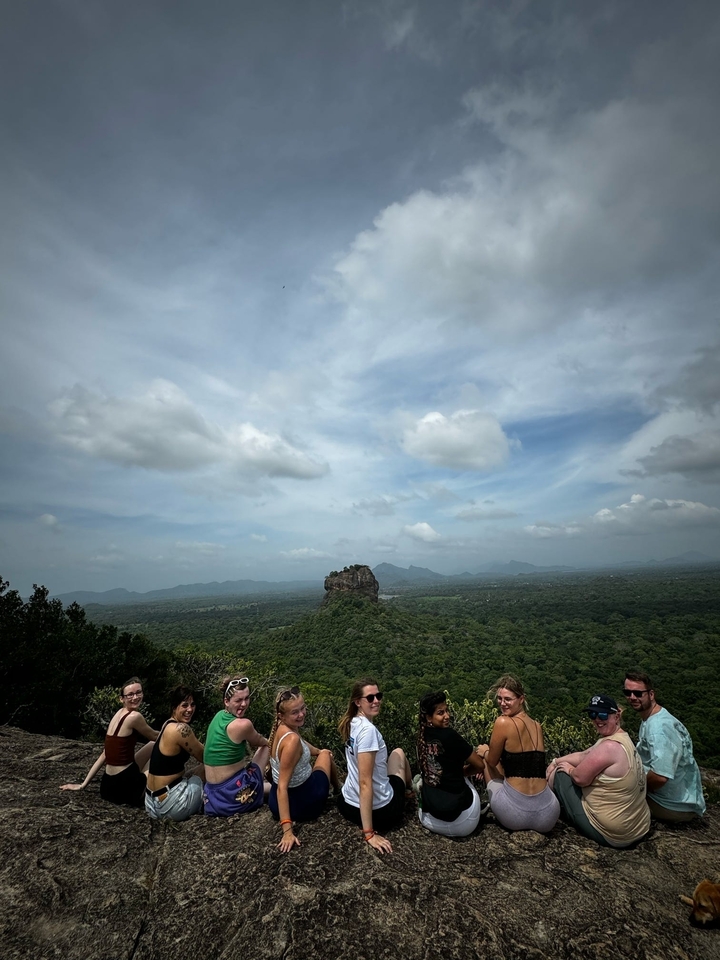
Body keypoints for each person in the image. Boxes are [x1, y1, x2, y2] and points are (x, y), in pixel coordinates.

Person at [547, 694, 651, 848]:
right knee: (561, 765)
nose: (597, 719)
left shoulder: (609, 747)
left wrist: (564, 768)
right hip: (638, 828)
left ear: (616, 716)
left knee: (560, 774)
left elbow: (579, 778)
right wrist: (555, 760)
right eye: (592, 714)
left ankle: (545, 808)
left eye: (602, 715)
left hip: (611, 834)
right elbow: (585, 755)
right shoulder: (622, 739)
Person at [475, 675, 560, 833]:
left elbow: (492, 761)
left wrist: (483, 751)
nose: (502, 703)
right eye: (499, 699)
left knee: (485, 756)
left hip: (515, 814)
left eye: (508, 699)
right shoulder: (537, 726)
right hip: (549, 813)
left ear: (521, 699)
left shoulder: (503, 722)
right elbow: (524, 765)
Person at [337, 679, 412, 854]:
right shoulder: (368, 732)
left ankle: (408, 790)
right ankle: (410, 789)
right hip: (381, 811)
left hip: (347, 803)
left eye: (378, 696)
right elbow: (365, 782)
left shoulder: (351, 723)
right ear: (358, 702)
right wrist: (369, 833)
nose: (376, 701)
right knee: (399, 753)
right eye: (370, 698)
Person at [60, 676, 159, 807]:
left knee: (152, 746)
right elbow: (155, 736)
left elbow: (105, 754)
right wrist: (173, 728)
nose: (135, 697)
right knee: (160, 749)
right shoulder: (135, 717)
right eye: (130, 695)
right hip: (126, 789)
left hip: (108, 788)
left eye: (138, 692)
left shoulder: (118, 714)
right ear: (121, 699)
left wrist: (83, 785)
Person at [623, 671, 706, 822]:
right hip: (677, 798)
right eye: (628, 692)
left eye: (638, 693)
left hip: (672, 805)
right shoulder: (654, 717)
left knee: (609, 795)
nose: (632, 697)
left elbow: (661, 777)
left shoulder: (659, 728)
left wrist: (636, 790)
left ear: (651, 694)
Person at [267, 686, 341, 852]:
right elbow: (283, 787)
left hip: (275, 804)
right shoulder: (292, 740)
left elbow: (302, 744)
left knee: (321, 753)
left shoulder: (280, 728)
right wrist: (287, 831)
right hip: (305, 802)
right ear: (281, 715)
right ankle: (338, 789)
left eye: (302, 708)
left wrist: (316, 752)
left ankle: (337, 787)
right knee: (327, 755)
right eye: (295, 712)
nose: (301, 714)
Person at [416, 691, 486, 837]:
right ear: (429, 717)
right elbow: (480, 765)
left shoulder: (422, 735)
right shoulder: (450, 736)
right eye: (441, 713)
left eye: (447, 710)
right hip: (462, 824)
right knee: (465, 776)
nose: (447, 716)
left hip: (428, 818)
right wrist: (464, 771)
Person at [203, 676, 270, 817]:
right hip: (233, 798)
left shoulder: (218, 716)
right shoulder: (242, 724)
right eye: (238, 700)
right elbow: (260, 741)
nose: (244, 704)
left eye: (247, 698)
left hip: (212, 798)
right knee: (268, 747)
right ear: (226, 701)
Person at [145, 686, 205, 822]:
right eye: (184, 705)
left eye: (192, 705)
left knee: (191, 773)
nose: (190, 709)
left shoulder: (167, 724)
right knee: (207, 769)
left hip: (151, 804)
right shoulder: (181, 729)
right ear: (174, 707)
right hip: (170, 805)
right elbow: (204, 756)